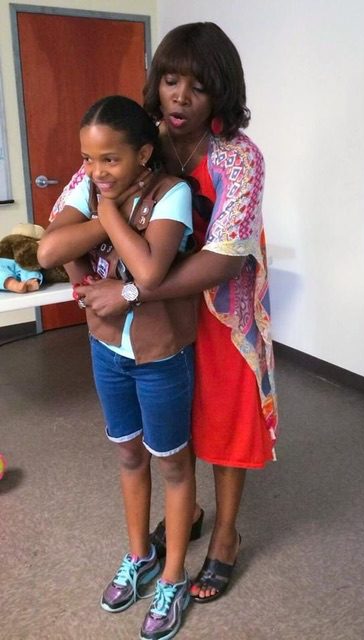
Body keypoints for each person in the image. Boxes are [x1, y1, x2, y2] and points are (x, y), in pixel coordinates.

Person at [49, 22, 278, 605]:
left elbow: (225, 258)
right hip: (147, 318)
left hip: (219, 309)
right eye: (171, 80)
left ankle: (224, 537)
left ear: (221, 93)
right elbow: (66, 220)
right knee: (168, 426)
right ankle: (190, 512)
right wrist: (88, 284)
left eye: (198, 87)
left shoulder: (239, 158)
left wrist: (131, 292)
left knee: (224, 420)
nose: (180, 96)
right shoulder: (131, 136)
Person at [38, 95, 197, 640]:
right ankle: (140, 555)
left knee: (172, 463)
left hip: (160, 356)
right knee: (128, 453)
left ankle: (173, 576)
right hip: (106, 349)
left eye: (109, 159)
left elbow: (150, 271)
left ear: (143, 154)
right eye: (88, 158)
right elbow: (47, 251)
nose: (95, 171)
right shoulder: (87, 185)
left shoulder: (170, 193)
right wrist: (99, 221)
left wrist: (105, 216)